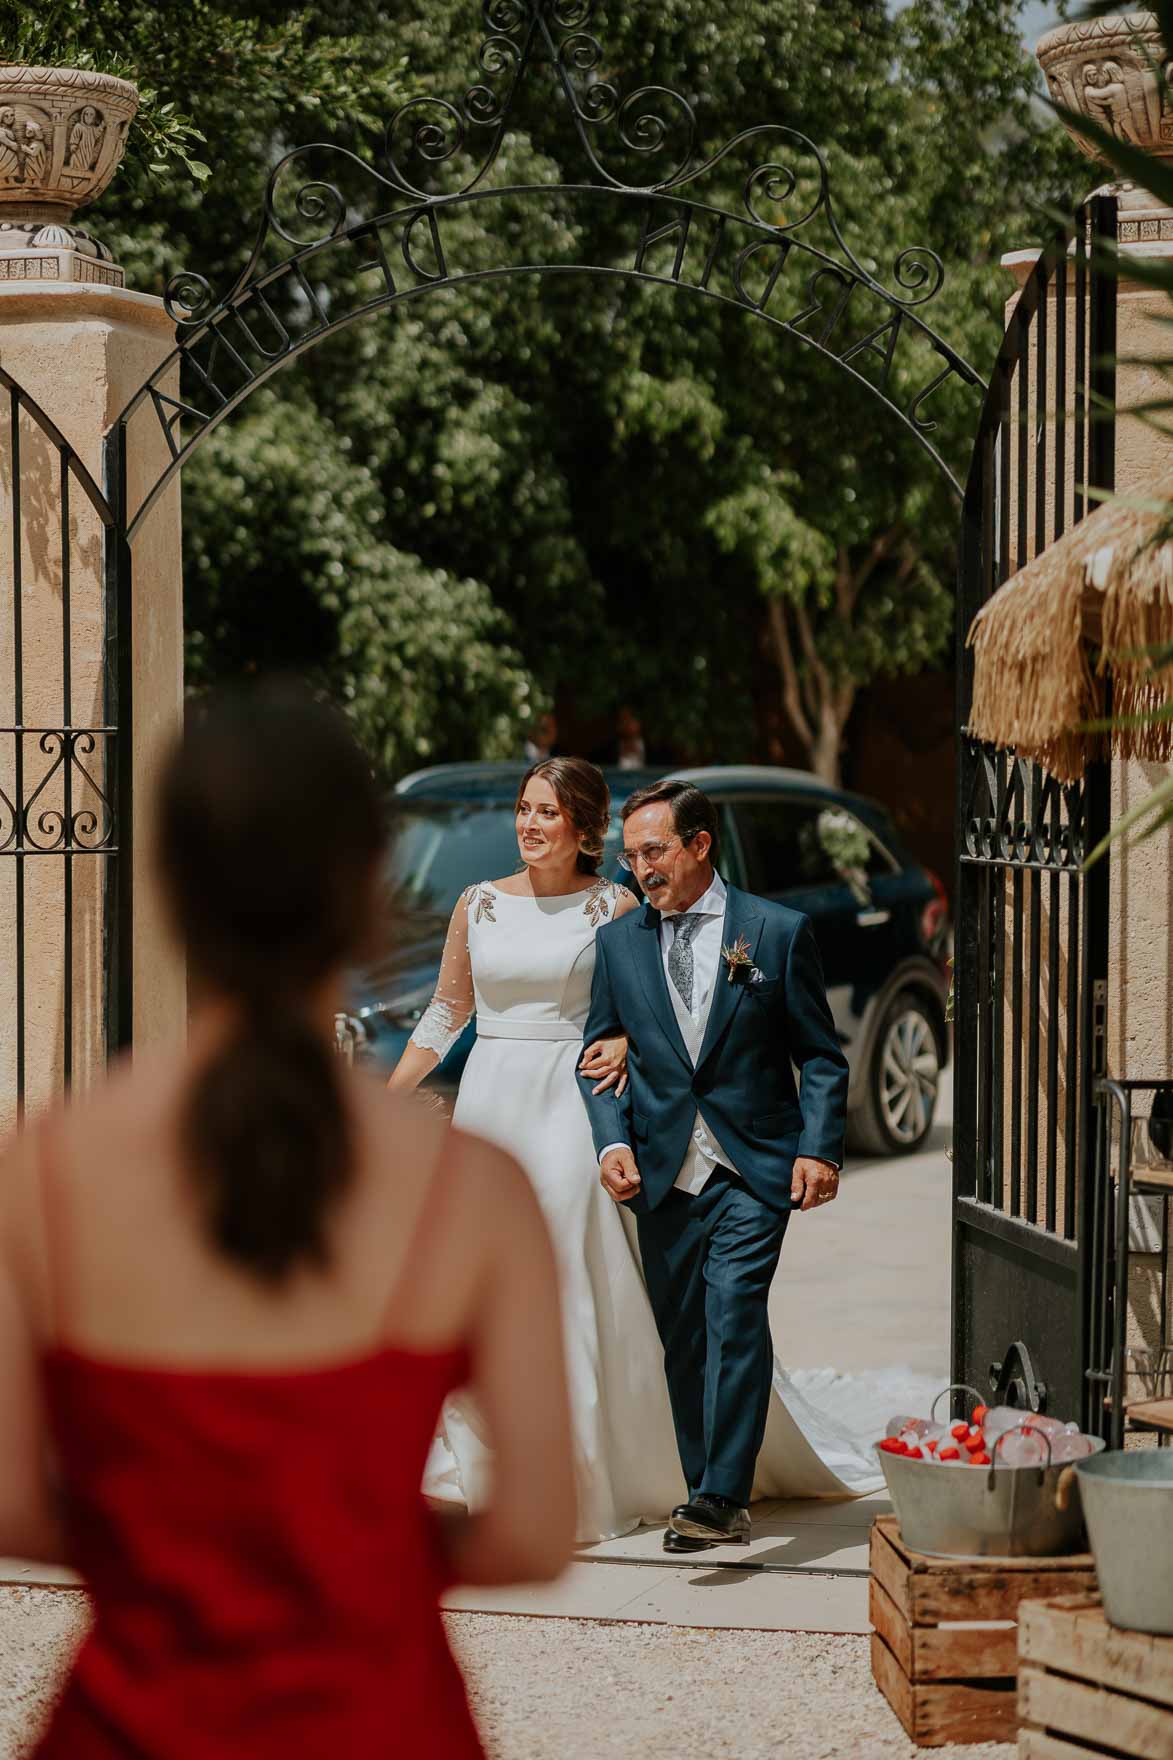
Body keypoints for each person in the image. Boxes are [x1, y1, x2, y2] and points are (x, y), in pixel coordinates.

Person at [0, 683, 575, 1759]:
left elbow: (6, 1500)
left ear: (169, 893)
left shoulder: (41, 1170)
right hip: (380, 1723)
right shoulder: (473, 1189)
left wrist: (166, 1543)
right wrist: (349, 1548)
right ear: (368, 895)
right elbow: (538, 1528)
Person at [391, 758, 880, 1550]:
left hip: (619, 1120)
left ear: (586, 831)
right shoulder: (499, 908)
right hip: (520, 1109)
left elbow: (775, 1044)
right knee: (637, 1315)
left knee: (681, 1300)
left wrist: (814, 1148)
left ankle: (688, 1488)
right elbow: (454, 1011)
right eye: (523, 808)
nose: (528, 823)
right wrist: (389, 1093)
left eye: (546, 811)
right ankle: (526, 1461)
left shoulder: (633, 911)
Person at [578, 778, 853, 1549]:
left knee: (733, 1311)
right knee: (685, 1338)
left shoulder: (774, 932)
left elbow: (820, 1058)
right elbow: (595, 1059)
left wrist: (817, 1147)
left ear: (699, 845)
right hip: (663, 1172)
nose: (640, 870)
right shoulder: (617, 944)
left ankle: (720, 1496)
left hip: (753, 1166)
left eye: (654, 851)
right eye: (630, 856)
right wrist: (613, 1142)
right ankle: (706, 1487)